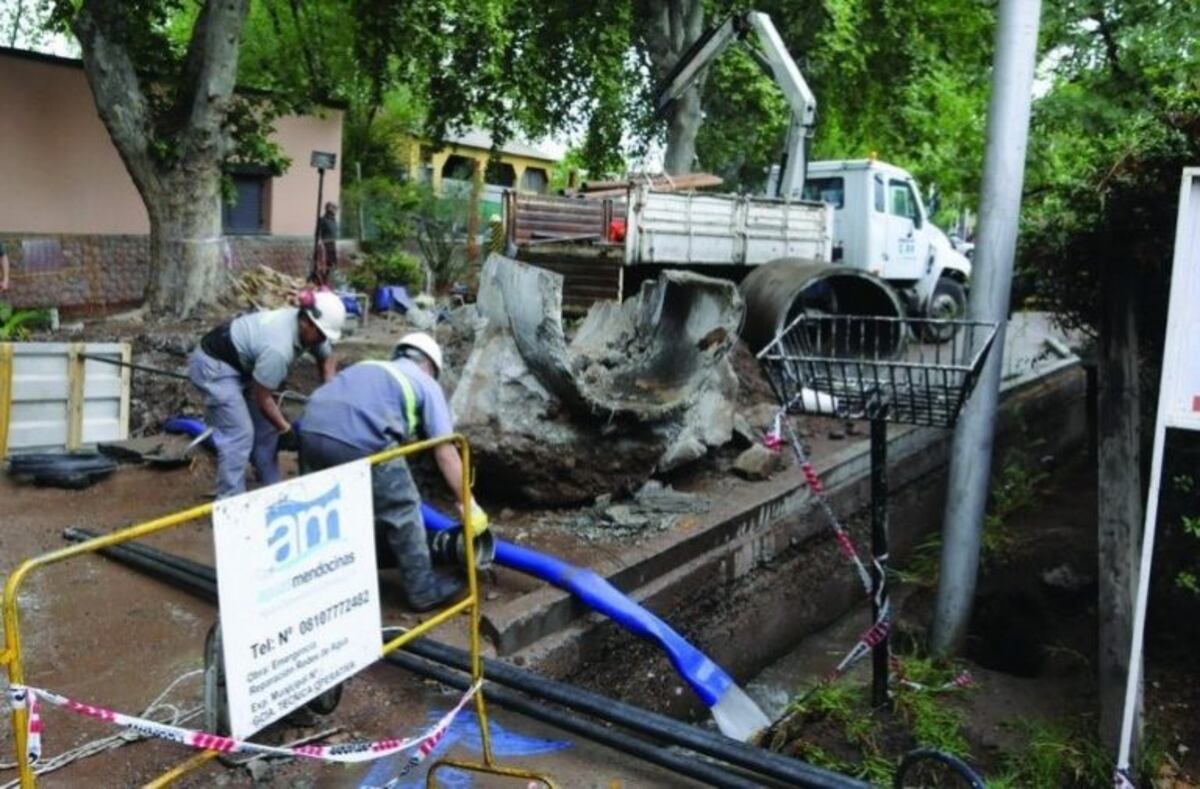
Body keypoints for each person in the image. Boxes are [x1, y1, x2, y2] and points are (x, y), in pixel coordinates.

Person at [296, 332, 486, 612]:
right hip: (362, 440)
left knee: (323, 509)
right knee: (403, 509)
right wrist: (467, 503)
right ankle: (423, 590)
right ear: (430, 366)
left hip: (309, 430)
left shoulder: (367, 366)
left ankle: (319, 580)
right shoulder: (426, 383)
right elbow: (445, 449)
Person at [188, 291, 346, 498]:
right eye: (322, 334)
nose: (323, 340)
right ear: (306, 322)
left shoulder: (313, 331)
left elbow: (326, 359)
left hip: (242, 362)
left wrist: (329, 394)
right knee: (239, 434)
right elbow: (262, 397)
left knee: (266, 429)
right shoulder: (278, 349)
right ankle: (230, 502)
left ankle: (272, 490)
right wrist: (286, 429)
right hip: (213, 366)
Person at [312, 202, 338, 284]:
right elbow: (317, 234)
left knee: (331, 264)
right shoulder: (322, 220)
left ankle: (326, 280)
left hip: (332, 244)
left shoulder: (334, 220)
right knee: (323, 264)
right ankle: (321, 280)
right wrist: (320, 244)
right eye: (334, 208)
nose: (335, 210)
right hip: (324, 245)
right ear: (329, 209)